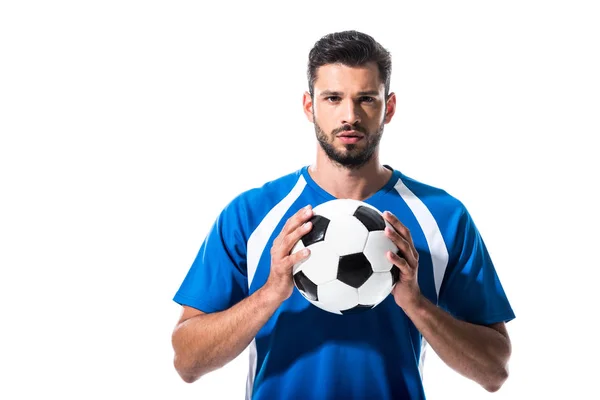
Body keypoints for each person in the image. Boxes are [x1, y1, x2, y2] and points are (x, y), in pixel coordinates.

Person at [171, 30, 515, 400]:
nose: (349, 116)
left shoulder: (443, 217)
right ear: (309, 106)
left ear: (390, 106)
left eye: (366, 99)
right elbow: (187, 362)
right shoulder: (251, 214)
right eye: (332, 98)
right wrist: (270, 293)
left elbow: (494, 371)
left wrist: (417, 305)